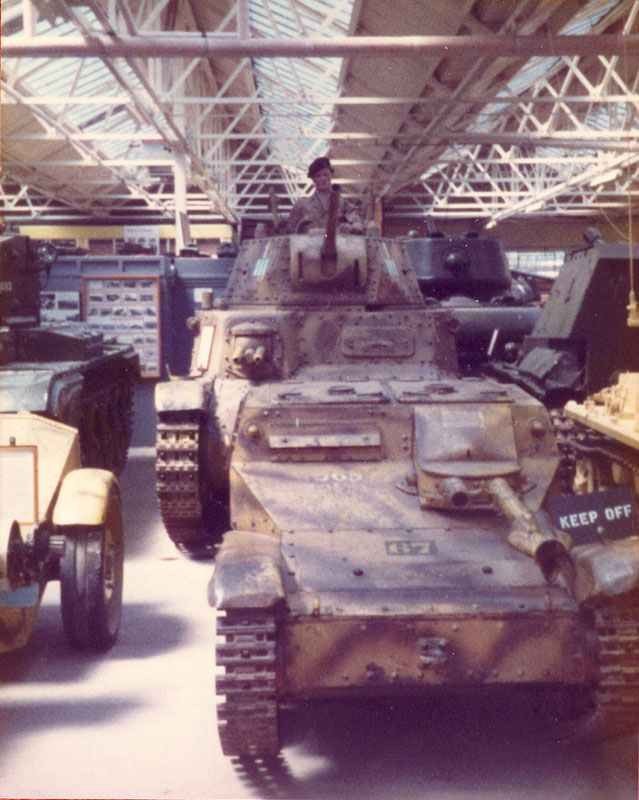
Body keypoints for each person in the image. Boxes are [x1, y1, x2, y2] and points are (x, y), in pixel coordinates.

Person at [286, 156, 363, 234]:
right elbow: (290, 230)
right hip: (309, 245)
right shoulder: (302, 205)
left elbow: (357, 221)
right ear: (313, 179)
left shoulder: (342, 202)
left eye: (326, 175)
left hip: (335, 244)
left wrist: (353, 227)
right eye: (318, 176)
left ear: (331, 176)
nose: (323, 178)